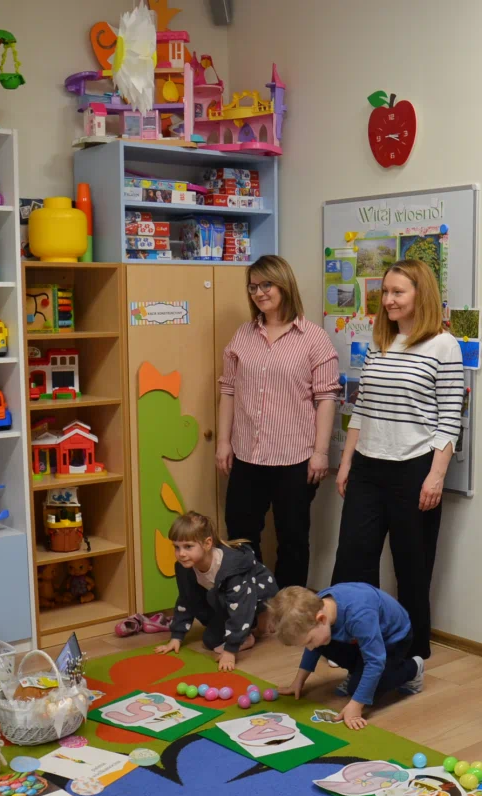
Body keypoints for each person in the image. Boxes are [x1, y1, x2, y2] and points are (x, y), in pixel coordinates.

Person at [331, 259, 464, 661]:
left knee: (412, 567)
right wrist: (346, 462)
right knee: (352, 561)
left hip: (414, 470)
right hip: (368, 468)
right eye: (384, 292)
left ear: (421, 295)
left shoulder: (444, 345)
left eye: (397, 292)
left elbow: (449, 419)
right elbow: (363, 408)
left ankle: (412, 656)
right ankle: (350, 650)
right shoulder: (379, 342)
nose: (388, 300)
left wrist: (436, 476)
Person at [216, 254, 340, 589]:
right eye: (253, 287)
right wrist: (224, 442)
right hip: (247, 455)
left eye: (266, 284)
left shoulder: (313, 338)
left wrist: (321, 453)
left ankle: (288, 608)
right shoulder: (243, 335)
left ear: (284, 284)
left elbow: (327, 398)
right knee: (241, 536)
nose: (259, 293)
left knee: (293, 540)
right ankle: (251, 603)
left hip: (295, 459)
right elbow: (228, 390)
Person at [268, 584, 424, 730]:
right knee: (320, 643)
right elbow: (314, 647)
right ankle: (356, 671)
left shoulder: (359, 616)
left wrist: (356, 705)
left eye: (308, 641)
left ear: (321, 619)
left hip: (393, 640)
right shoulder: (317, 607)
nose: (309, 647)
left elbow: (375, 662)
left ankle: (413, 668)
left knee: (358, 689)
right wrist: (298, 682)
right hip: (364, 640)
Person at [154, 511, 279, 672]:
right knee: (210, 640)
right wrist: (176, 637)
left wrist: (230, 650)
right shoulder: (185, 568)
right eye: (177, 547)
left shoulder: (231, 569)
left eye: (188, 547)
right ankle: (246, 631)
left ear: (207, 544)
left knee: (240, 608)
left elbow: (240, 607)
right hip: (226, 598)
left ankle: (262, 616)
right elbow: (186, 599)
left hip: (258, 591)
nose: (181, 554)